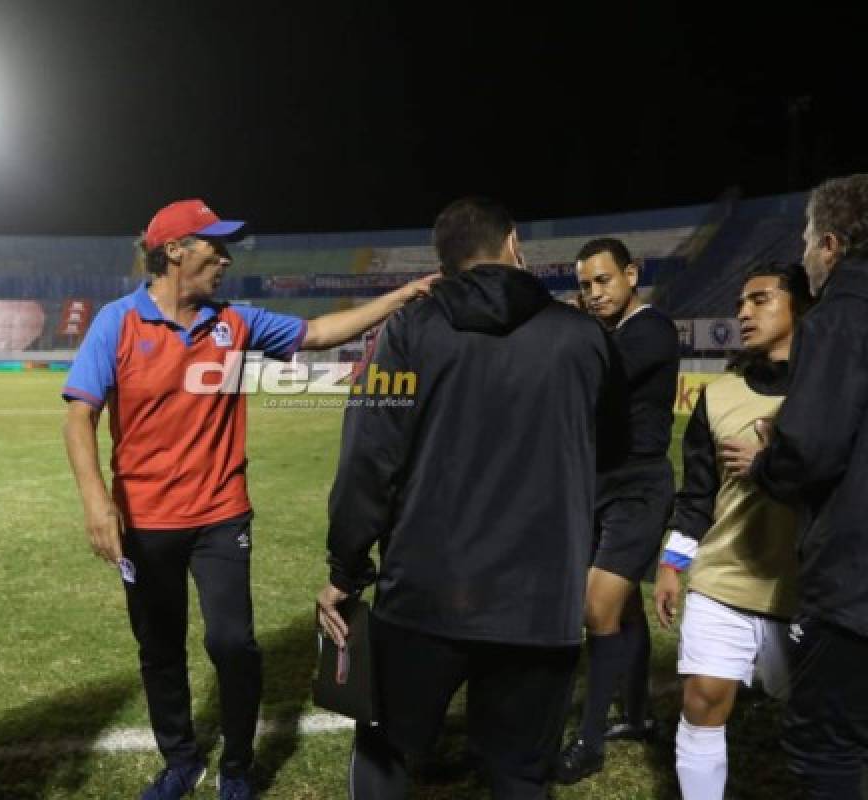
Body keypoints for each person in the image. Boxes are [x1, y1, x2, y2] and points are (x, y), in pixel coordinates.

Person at [62, 198, 436, 800]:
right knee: (159, 649)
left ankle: (236, 765)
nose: (227, 256)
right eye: (216, 244)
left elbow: (317, 333)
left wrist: (401, 295)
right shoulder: (117, 322)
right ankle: (181, 761)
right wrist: (96, 502)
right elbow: (80, 416)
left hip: (220, 517)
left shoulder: (234, 322)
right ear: (177, 250)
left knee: (232, 644)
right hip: (144, 523)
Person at [317, 196, 628, 799]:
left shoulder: (408, 330)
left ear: (447, 263)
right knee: (519, 773)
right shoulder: (583, 337)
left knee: (386, 754)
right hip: (541, 599)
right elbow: (613, 452)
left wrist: (346, 568)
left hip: (424, 591)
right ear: (513, 244)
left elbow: (366, 457)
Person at [724, 174, 868, 799]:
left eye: (808, 239)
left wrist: (765, 458)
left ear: (831, 245)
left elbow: (811, 452)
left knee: (827, 747)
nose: (805, 252)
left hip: (854, 582)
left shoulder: (838, 318)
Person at [654, 263, 813, 800]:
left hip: (811, 589)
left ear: (801, 306)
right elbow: (697, 494)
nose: (744, 312)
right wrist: (674, 564)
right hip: (725, 580)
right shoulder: (718, 394)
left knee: (824, 724)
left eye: (761, 300)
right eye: (741, 302)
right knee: (702, 699)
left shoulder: (837, 389)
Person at [556, 237, 680, 783]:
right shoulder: (609, 331)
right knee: (622, 609)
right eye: (585, 285)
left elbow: (599, 381)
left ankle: (588, 745)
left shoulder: (649, 329)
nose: (593, 293)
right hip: (601, 484)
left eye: (603, 280)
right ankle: (636, 717)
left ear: (632, 275)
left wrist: (568, 328)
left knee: (596, 609)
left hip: (638, 488)